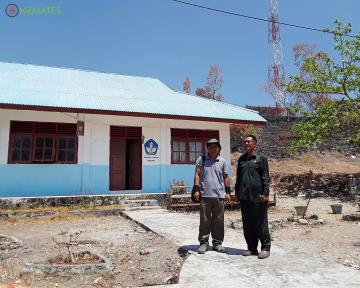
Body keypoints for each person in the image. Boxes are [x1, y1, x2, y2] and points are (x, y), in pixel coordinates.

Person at [192, 138, 231, 254]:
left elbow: (226, 177)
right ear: (207, 148)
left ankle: (217, 243)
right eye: (210, 147)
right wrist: (196, 189)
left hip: (219, 196)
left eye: (215, 147)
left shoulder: (223, 162)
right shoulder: (202, 160)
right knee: (204, 220)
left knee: (218, 221)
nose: (213, 149)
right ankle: (203, 243)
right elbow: (197, 174)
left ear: (219, 148)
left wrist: (228, 192)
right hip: (205, 196)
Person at [235, 135, 271, 259]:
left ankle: (265, 248)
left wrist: (266, 193)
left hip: (258, 197)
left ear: (255, 143)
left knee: (261, 223)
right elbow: (238, 178)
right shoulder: (241, 159)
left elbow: (266, 177)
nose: (246, 143)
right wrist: (237, 193)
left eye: (249, 141)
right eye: (245, 141)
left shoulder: (261, 159)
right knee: (247, 224)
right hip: (244, 197)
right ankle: (251, 248)